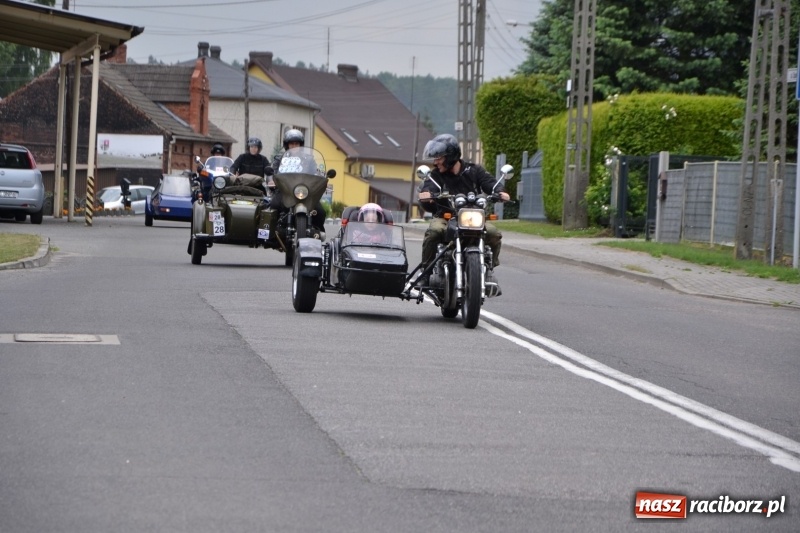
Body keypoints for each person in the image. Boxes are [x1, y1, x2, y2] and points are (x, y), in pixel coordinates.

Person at [417, 133, 509, 274]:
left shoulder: (474, 170)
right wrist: (427, 193)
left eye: (439, 158)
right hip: (446, 218)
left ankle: (489, 268)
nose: (435, 163)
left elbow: (488, 182)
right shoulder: (436, 175)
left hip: (473, 217)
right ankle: (426, 272)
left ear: (451, 156)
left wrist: (499, 191)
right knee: (434, 232)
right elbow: (430, 185)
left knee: (493, 233)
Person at [270, 129, 326, 231]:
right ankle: (272, 231)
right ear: (287, 145)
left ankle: (318, 231)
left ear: (301, 145)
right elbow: (274, 172)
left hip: (305, 192)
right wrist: (272, 180)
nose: (294, 146)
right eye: (292, 144)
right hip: (285, 191)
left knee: (320, 211)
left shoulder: (308, 159)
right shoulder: (280, 159)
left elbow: (314, 173)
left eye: (297, 143)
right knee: (273, 205)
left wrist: (319, 177)